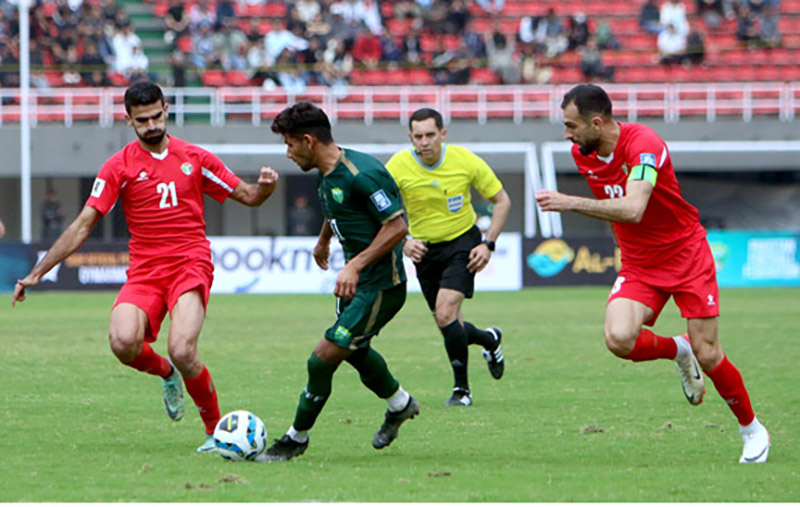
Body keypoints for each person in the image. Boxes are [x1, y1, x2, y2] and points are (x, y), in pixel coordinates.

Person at [12, 82, 280, 453]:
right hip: (145, 270)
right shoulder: (118, 166)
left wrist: (265, 187)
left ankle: (212, 433)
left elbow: (248, 195)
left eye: (156, 116)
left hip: (190, 261)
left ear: (166, 109)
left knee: (183, 349)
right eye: (142, 120)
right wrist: (39, 271)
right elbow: (83, 224)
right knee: (123, 343)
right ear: (129, 120)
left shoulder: (195, 157)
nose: (151, 125)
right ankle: (166, 373)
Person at [535, 84, 770, 464]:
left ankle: (752, 429)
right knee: (619, 338)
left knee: (709, 353)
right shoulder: (584, 154)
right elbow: (621, 216)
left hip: (686, 254)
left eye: (571, 125)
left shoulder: (645, 145)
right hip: (641, 263)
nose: (567, 135)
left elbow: (633, 209)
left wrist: (569, 203)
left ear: (597, 122)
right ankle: (679, 348)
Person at [259, 102, 418, 462]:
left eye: (289, 145)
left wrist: (355, 265)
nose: (287, 154)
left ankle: (295, 438)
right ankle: (400, 404)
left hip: (381, 287)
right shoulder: (324, 172)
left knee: (323, 358)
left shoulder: (362, 174)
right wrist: (324, 240)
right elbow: (338, 211)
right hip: (356, 285)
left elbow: (397, 226)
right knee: (355, 350)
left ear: (308, 140)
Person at [385, 108, 511, 407]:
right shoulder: (398, 166)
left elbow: (501, 200)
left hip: (462, 244)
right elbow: (379, 208)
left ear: (443, 134)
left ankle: (462, 390)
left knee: (445, 314)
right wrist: (403, 241)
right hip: (424, 250)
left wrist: (488, 243)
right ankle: (489, 339)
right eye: (418, 136)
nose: (425, 142)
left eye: (431, 135)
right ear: (410, 138)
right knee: (448, 322)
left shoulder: (464, 160)